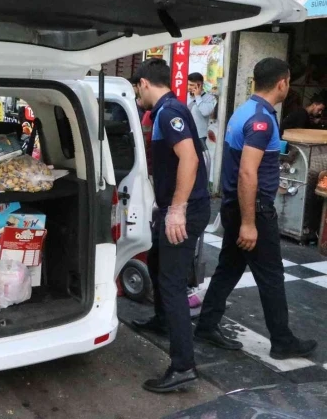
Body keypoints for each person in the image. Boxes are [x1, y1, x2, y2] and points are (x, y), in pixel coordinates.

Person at [195, 58, 317, 360]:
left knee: (229, 267)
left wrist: (268, 182)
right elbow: (247, 172)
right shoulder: (262, 119)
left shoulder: (246, 110)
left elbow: (250, 167)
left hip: (238, 205)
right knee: (272, 276)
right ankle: (282, 340)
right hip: (253, 212)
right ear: (283, 83)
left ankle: (207, 324)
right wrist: (249, 223)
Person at [131, 58, 211, 393]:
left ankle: (183, 367)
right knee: (160, 263)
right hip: (175, 207)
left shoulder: (168, 112)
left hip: (185, 210)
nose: (137, 97)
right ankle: (163, 320)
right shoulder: (171, 108)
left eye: (137, 90)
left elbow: (191, 158)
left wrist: (176, 210)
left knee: (173, 285)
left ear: (146, 83)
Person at [187, 73, 217, 151]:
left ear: (200, 85)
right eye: (188, 84)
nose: (189, 87)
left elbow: (205, 112)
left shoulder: (210, 98)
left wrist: (198, 96)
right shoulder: (186, 96)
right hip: (186, 135)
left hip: (200, 136)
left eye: (192, 85)